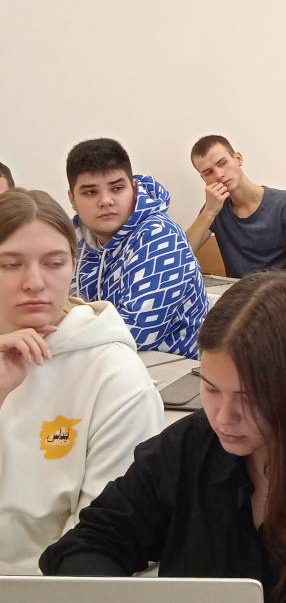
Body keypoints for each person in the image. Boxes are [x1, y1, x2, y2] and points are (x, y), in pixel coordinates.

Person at [41, 273, 286, 601]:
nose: (223, 417)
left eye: (249, 398)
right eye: (211, 388)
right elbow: (89, 544)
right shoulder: (190, 447)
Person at [0, 190, 163, 571]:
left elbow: (100, 540)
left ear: (74, 265)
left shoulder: (115, 375)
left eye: (54, 263)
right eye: (10, 264)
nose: (34, 282)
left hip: (45, 585)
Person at [66, 139, 207, 357]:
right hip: (104, 359)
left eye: (117, 188)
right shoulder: (73, 240)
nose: (106, 201)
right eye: (91, 192)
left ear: (133, 188)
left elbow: (136, 333)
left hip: (176, 365)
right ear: (72, 199)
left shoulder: (160, 236)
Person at [185, 135, 286, 278]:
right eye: (208, 172)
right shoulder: (214, 208)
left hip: (281, 290)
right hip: (237, 290)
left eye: (222, 163)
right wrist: (209, 212)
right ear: (203, 178)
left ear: (238, 159)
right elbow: (180, 255)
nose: (219, 175)